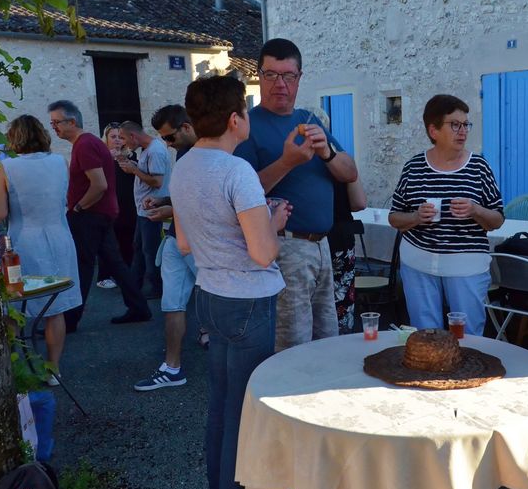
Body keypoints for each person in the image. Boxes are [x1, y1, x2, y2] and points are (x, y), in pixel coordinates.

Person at [171, 75, 288, 489]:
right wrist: (274, 222)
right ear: (235, 119)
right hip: (248, 302)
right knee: (245, 420)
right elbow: (263, 253)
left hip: (210, 295)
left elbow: (183, 243)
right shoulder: (237, 171)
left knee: (221, 413)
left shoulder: (183, 167)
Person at [233, 38, 358, 350]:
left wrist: (327, 153)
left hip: (323, 246)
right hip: (285, 246)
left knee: (327, 340)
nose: (280, 84)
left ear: (299, 78)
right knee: (293, 344)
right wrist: (287, 162)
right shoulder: (247, 127)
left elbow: (350, 173)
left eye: (288, 75)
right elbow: (242, 195)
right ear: (259, 76)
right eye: (271, 74)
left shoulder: (309, 120)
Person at [388, 94, 504, 335]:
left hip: (466, 266)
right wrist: (416, 217)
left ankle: (468, 363)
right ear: (434, 130)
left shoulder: (478, 167)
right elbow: (394, 217)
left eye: (465, 125)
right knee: (426, 336)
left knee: (467, 336)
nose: (463, 132)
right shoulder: (414, 167)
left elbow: (498, 219)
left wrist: (475, 210)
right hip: (418, 264)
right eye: (455, 125)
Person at [48, 100, 151, 330]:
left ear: (72, 122)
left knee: (83, 265)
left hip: (90, 214)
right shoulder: (87, 143)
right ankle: (139, 308)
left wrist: (78, 208)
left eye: (56, 122)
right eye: (52, 123)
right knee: (115, 263)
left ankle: (70, 320)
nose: (53, 127)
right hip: (98, 213)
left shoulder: (85, 144)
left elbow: (99, 185)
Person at [0, 115, 82, 376]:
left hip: (24, 241)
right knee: (55, 307)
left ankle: (16, 368)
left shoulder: (6, 167)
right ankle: (53, 369)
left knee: (14, 306)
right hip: (59, 236)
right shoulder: (59, 162)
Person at [133, 105, 202, 391]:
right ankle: (171, 367)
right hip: (176, 238)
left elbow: (206, 203)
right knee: (172, 304)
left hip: (199, 242)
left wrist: (169, 210)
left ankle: (234, 369)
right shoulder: (184, 153)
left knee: (217, 300)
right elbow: (184, 198)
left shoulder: (207, 155)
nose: (167, 144)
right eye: (163, 139)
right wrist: (163, 202)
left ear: (186, 127)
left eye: (169, 137)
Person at [118, 120, 171, 299]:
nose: (123, 143)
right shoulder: (147, 149)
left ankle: (156, 288)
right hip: (144, 209)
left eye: (123, 138)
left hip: (152, 209)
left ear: (133, 136)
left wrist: (134, 170)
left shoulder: (155, 151)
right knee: (140, 247)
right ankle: (136, 285)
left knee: (150, 250)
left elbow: (157, 182)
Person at [96, 122, 137, 289]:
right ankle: (104, 275)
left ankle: (126, 273)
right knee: (108, 241)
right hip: (108, 204)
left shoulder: (132, 156)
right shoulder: (100, 157)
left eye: (120, 137)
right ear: (106, 139)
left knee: (128, 238)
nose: (117, 140)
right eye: (113, 137)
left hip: (128, 204)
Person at [328, 180, 367, 334]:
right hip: (340, 240)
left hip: (335, 241)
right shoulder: (342, 167)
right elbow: (359, 203)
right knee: (340, 311)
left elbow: (359, 203)